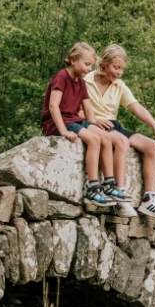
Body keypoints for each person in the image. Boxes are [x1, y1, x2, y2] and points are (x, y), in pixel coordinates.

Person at [84, 44, 155, 221]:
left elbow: (136, 107)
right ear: (103, 64)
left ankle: (149, 199)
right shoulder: (86, 81)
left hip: (113, 126)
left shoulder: (119, 85)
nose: (119, 72)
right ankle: (120, 196)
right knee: (121, 142)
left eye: (121, 69)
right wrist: (92, 120)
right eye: (115, 67)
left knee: (151, 146)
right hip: (95, 126)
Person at [40, 42, 115, 207]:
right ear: (73, 60)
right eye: (86, 64)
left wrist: (95, 124)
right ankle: (92, 186)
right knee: (93, 140)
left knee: (105, 137)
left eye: (91, 65)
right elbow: (53, 106)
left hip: (74, 120)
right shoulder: (62, 77)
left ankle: (109, 184)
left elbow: (88, 108)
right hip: (58, 121)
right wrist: (63, 131)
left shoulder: (80, 82)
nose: (89, 69)